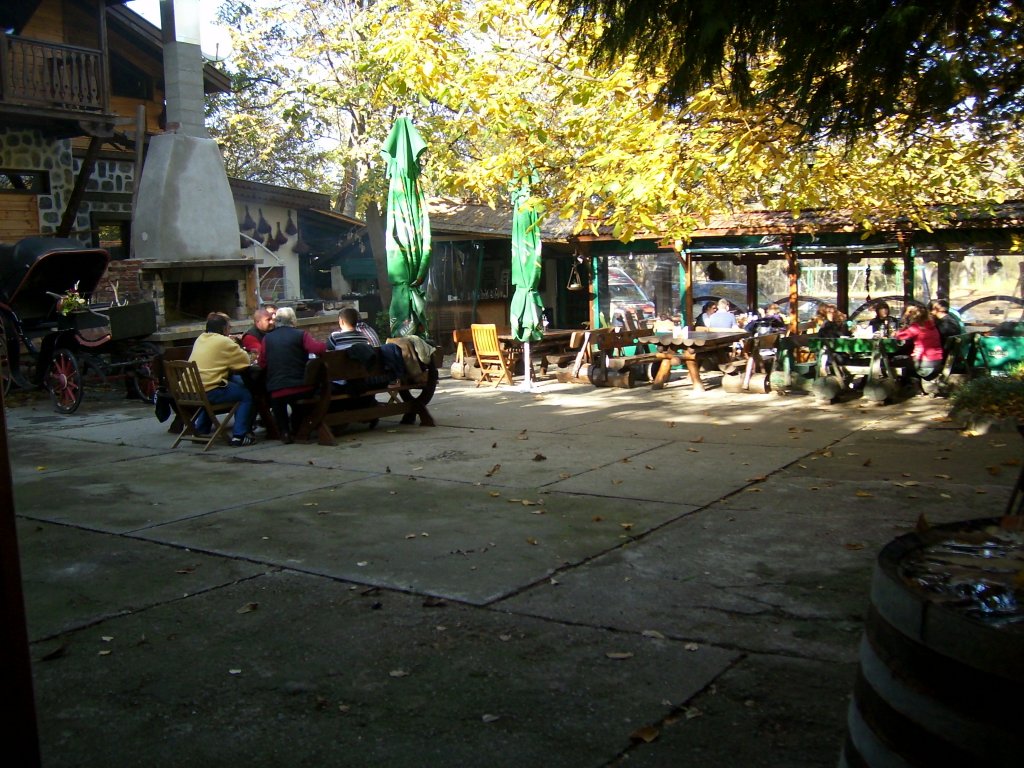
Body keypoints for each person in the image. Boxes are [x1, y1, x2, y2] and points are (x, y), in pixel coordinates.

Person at [259, 306, 327, 443]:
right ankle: (298, 429)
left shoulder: (267, 339)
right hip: (301, 386)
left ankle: (284, 432)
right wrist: (325, 345)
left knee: (278, 402)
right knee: (302, 401)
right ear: (293, 320)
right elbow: (317, 349)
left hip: (277, 387)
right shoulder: (301, 334)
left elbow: (262, 363)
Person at [188, 312, 257, 446]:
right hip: (209, 390)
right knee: (245, 394)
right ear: (224, 329)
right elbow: (244, 361)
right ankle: (239, 436)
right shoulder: (223, 341)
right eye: (229, 327)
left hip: (191, 390)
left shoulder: (200, 338)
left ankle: (201, 430)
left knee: (230, 383)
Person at [327, 307, 406, 386]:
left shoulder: (334, 337)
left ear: (341, 321)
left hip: (343, 381)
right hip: (363, 380)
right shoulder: (363, 337)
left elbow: (328, 353)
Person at [894, 304, 944, 381]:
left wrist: (895, 333)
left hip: (925, 364)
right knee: (908, 361)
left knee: (894, 361)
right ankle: (913, 383)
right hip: (937, 362)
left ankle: (906, 384)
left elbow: (900, 336)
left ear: (914, 316)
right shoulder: (932, 325)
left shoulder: (917, 327)